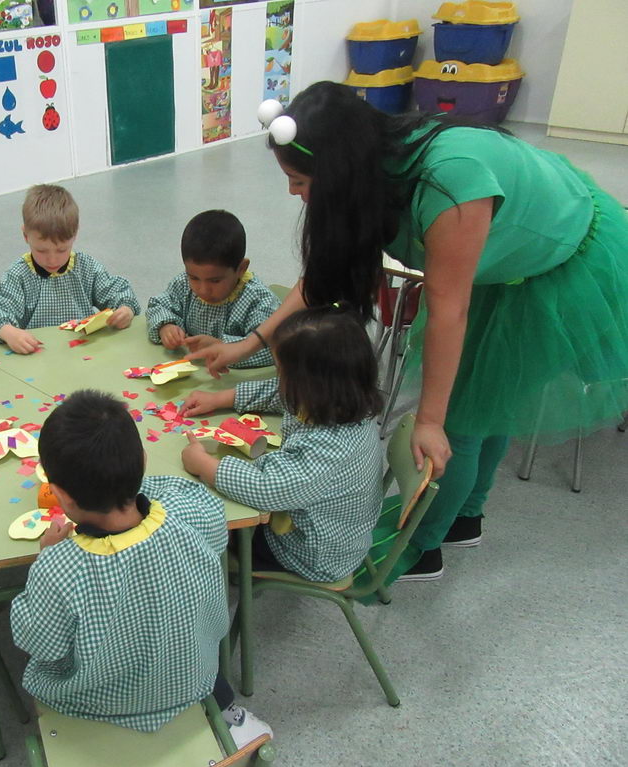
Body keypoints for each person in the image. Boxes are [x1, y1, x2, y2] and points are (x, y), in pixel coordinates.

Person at [192, 81, 628, 582]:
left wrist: (429, 419)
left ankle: (424, 545)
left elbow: (448, 310)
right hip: (496, 265)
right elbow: (324, 272)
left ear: (339, 172)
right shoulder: (371, 172)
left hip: (560, 263)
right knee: (486, 402)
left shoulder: (450, 181)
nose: (293, 193)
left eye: (299, 180)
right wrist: (250, 344)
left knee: (461, 422)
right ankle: (465, 519)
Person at [9, 390, 270, 746]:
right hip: (189, 678)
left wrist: (43, 559)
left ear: (60, 495)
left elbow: (40, 643)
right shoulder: (192, 515)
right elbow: (190, 500)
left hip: (96, 703)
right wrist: (125, 479)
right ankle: (224, 717)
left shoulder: (57, 568)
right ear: (144, 462)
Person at [181, 305, 384, 582]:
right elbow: (279, 395)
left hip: (309, 553)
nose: (280, 381)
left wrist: (204, 464)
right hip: (323, 525)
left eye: (282, 372)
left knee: (200, 529)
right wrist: (221, 398)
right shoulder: (341, 399)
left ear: (308, 387)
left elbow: (266, 489)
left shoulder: (330, 449)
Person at [0, 184, 141, 354]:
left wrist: (126, 310)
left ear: (74, 235)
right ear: (25, 235)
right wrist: (8, 332)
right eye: (41, 250)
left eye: (62, 250)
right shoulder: (19, 275)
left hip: (82, 353)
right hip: (37, 356)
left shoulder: (86, 267)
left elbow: (118, 292)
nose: (52, 260)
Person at [146, 209, 279, 368]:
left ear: (241, 268)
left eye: (215, 281)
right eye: (194, 277)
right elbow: (158, 305)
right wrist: (165, 326)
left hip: (231, 386)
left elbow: (274, 348)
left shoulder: (257, 300)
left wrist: (224, 346)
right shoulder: (183, 283)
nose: (203, 289)